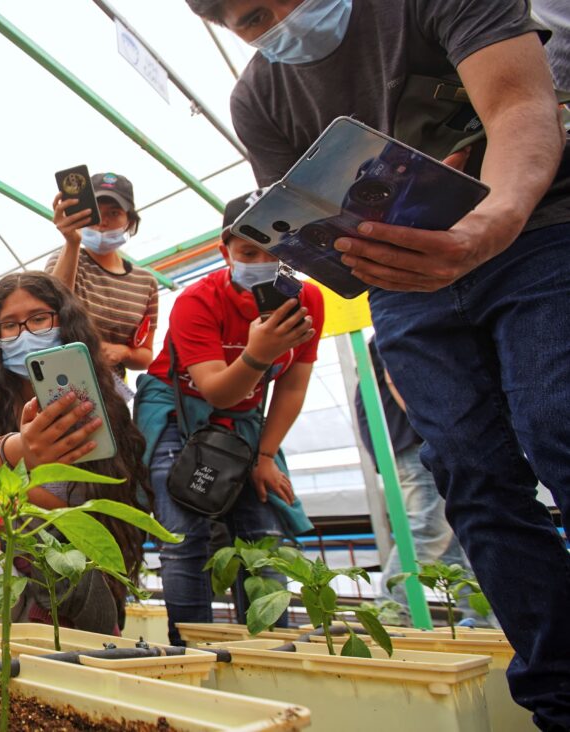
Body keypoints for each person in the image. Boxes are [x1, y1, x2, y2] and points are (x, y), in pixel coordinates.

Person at [187, 0, 569, 726]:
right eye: (246, 21)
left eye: (274, 4)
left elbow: (521, 99)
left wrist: (494, 216)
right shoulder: (259, 96)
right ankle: (558, 700)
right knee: (474, 482)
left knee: (560, 424)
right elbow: (302, 219)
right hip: (406, 288)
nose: (273, 24)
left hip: (538, 235)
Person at [134, 191, 321, 646]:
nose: (264, 261)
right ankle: (190, 651)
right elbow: (216, 388)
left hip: (244, 420)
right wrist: (258, 355)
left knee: (263, 540)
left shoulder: (308, 300)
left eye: (278, 250)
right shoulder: (196, 301)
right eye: (249, 251)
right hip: (178, 412)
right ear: (226, 250)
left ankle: (271, 653)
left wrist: (266, 455)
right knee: (184, 540)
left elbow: (292, 385)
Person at [0, 272, 150, 633]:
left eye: (39, 318)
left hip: (72, 561)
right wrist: (22, 448)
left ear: (63, 321)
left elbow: (112, 494)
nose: (25, 333)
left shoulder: (103, 403)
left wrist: (19, 490)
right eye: (9, 325)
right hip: (4, 554)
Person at [353, 337, 485, 627]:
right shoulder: (400, 321)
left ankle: (480, 616)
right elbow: (397, 378)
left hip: (404, 439)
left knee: (450, 536)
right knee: (429, 526)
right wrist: (434, 426)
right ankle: (390, 614)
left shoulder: (391, 326)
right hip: (413, 438)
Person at [47, 172, 160, 383]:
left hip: (111, 390)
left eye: (114, 213)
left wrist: (124, 352)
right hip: (61, 379)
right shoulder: (65, 259)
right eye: (95, 212)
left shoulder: (146, 283)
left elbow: (145, 355)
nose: (102, 222)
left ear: (130, 221)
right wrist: (71, 242)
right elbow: (49, 309)